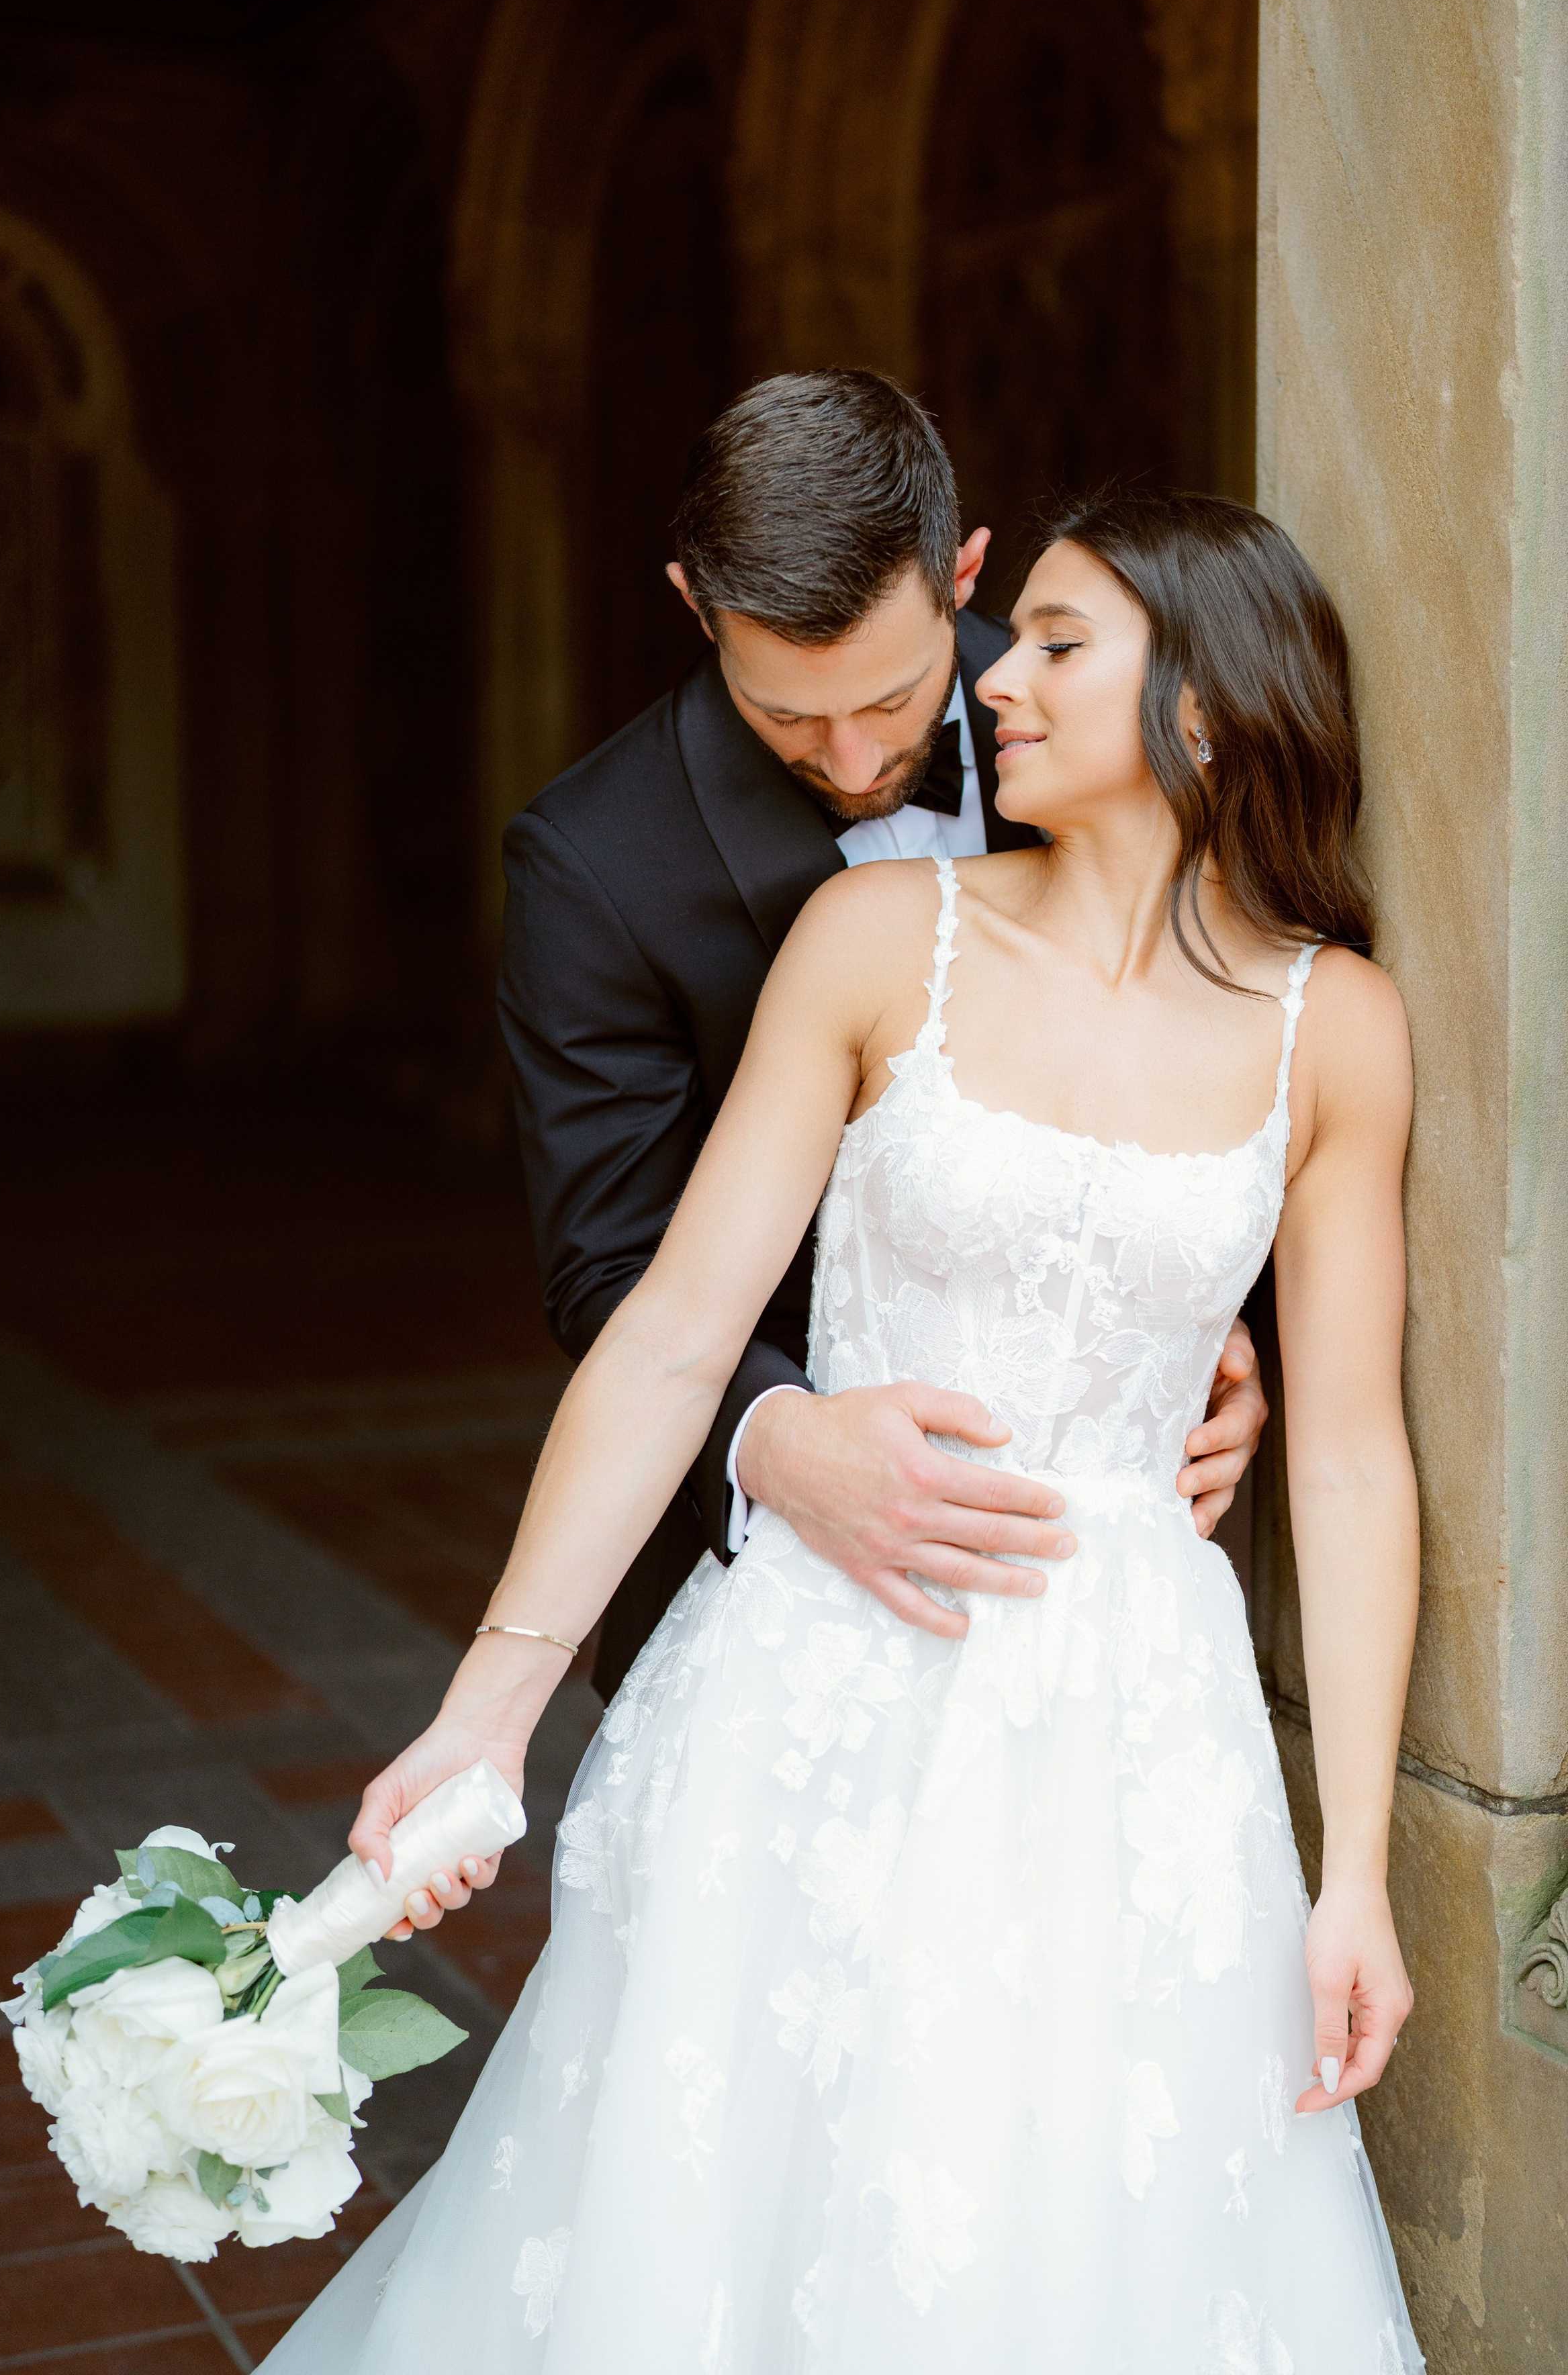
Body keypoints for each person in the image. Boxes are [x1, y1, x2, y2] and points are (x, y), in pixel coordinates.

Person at [265, 488, 1424, 2372]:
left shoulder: (1339, 1031)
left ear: (1206, 713)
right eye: (1015, 631)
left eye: (1059, 645)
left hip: (1134, 1743)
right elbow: (664, 1340)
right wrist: (483, 1713)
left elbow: (1358, 1459)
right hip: (819, 1693)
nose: (1003, 685)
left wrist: (1354, 1870)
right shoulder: (880, 937)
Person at [494, 371, 1268, 1699]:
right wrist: (776, 1438)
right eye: (787, 714)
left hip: (1110, 1581)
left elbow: (1226, 1038)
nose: (852, 760)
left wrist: (1212, 1318)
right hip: (764, 1593)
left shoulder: (1112, 732)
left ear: (964, 575)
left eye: (893, 700)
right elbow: (609, 1264)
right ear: (693, 605)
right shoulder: (591, 865)